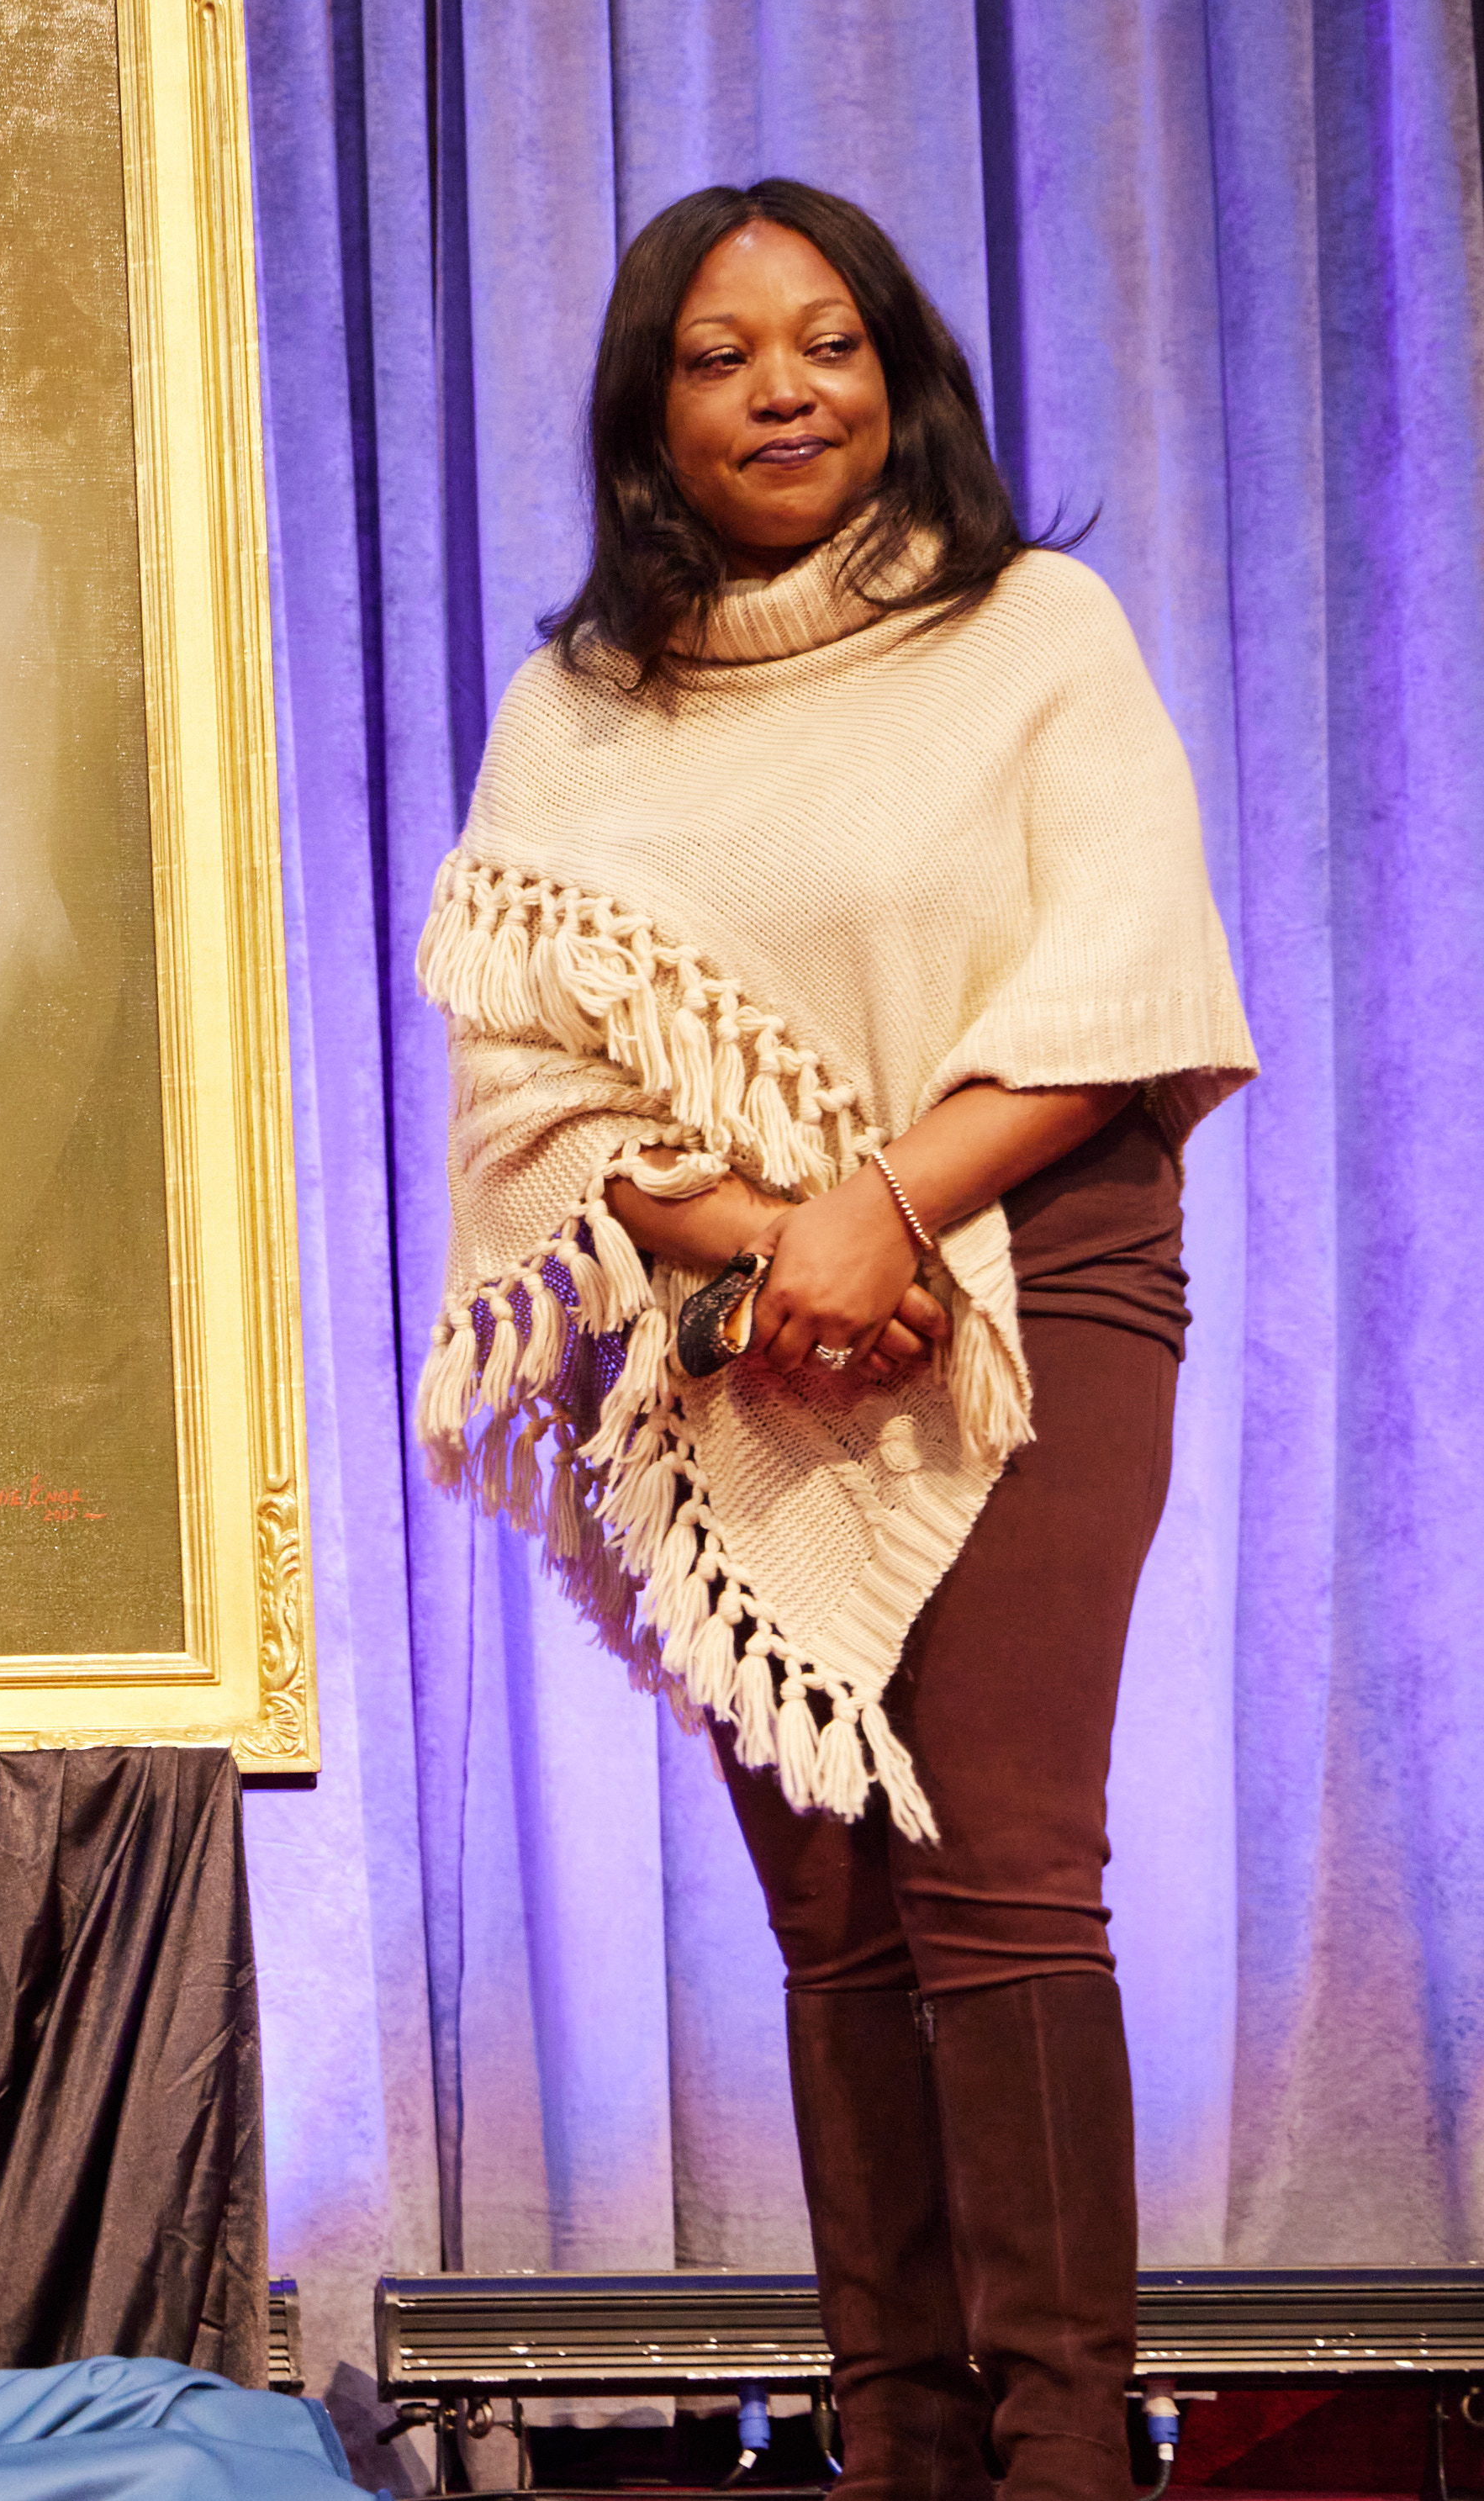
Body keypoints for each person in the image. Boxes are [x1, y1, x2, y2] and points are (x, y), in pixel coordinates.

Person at [413, 182, 1257, 2501]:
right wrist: (780, 1246)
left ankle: (1069, 2451)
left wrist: (891, 1210)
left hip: (1034, 1287)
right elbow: (530, 1085)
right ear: (648, 413)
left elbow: (1126, 973)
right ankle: (898, 2443)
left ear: (900, 376)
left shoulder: (1035, 635)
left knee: (994, 1869)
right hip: (722, 1334)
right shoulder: (575, 706)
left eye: (828, 344)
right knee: (837, 1911)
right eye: (720, 355)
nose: (783, 389)